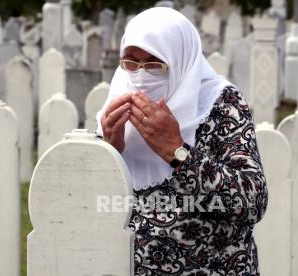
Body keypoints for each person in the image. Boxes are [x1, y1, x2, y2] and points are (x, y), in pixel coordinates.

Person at [95, 7, 268, 275]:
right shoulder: (118, 98)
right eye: (131, 62)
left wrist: (176, 151)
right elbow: (92, 202)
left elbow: (251, 202)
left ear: (180, 60)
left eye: (154, 64)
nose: (140, 76)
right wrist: (110, 151)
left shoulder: (220, 104)